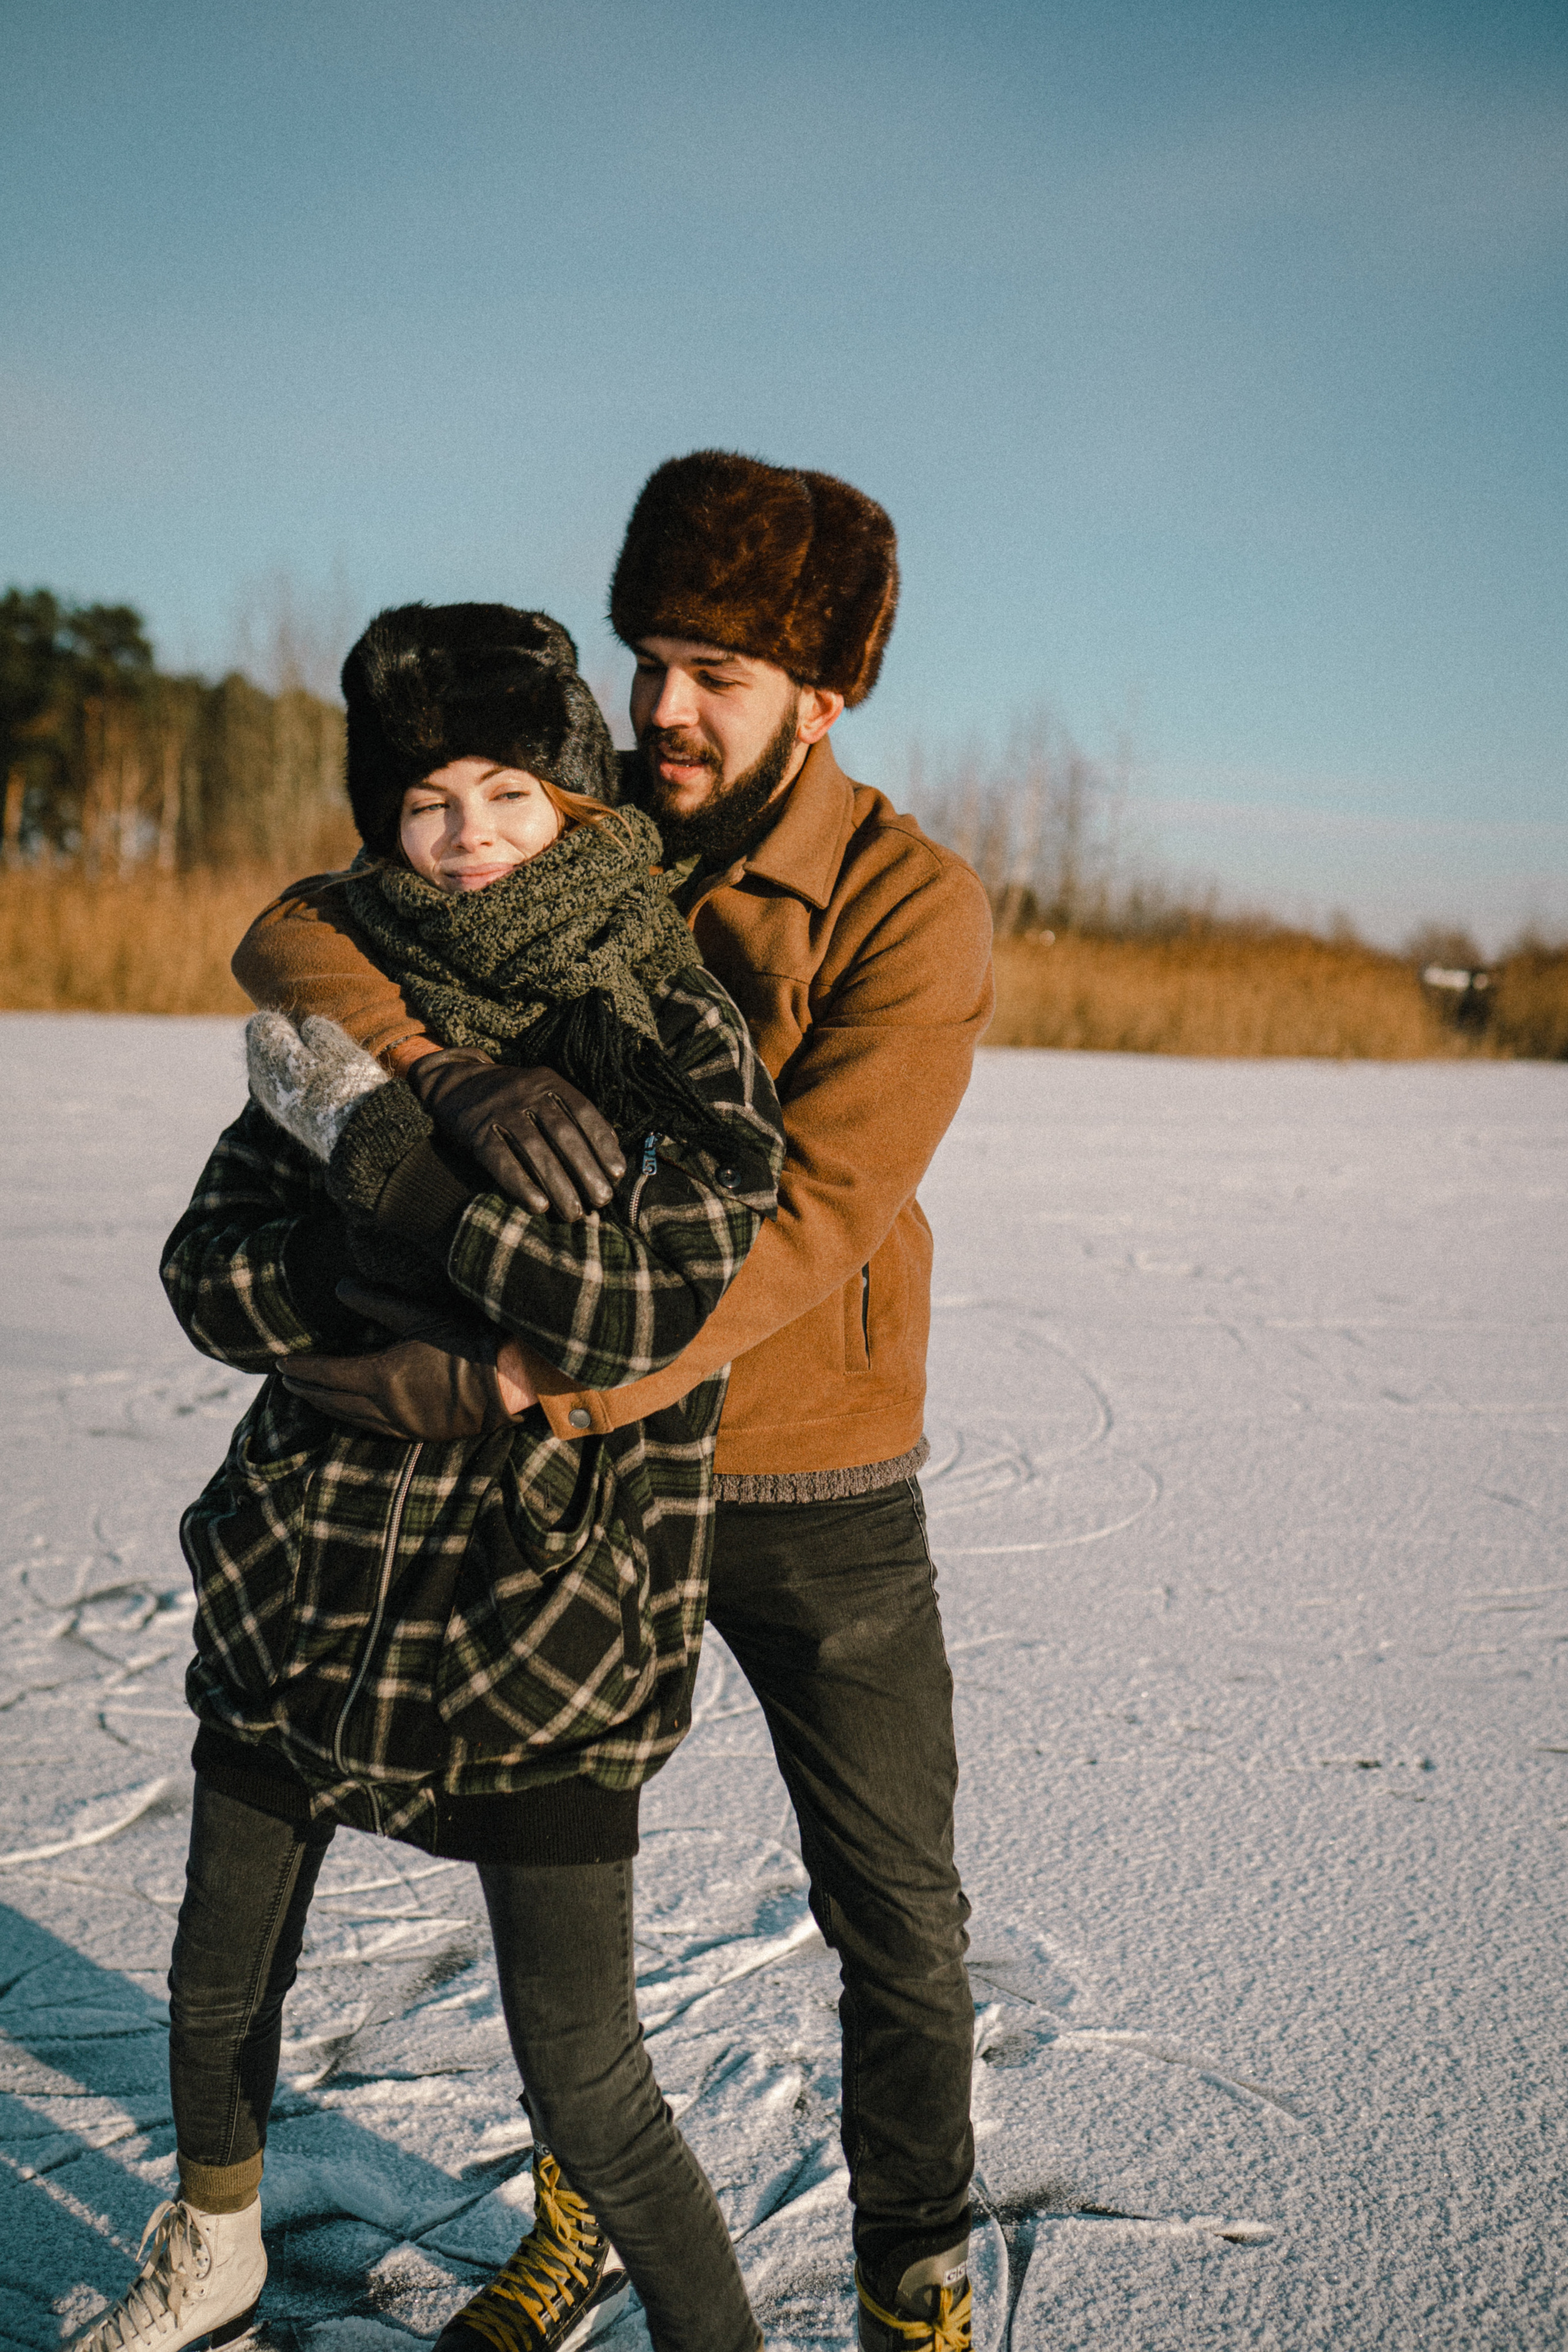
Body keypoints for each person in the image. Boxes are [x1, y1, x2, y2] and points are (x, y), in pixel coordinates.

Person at [235, 457, 996, 2352]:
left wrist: (523, 1384)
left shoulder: (913, 901)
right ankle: (581, 2218)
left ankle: (912, 2265)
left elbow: (818, 1214)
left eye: (719, 673)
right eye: (653, 656)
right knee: (564, 1888)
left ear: (825, 701)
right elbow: (294, 938)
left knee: (895, 1902)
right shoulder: (584, 835)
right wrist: (433, 1071)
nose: (663, 706)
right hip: (587, 1496)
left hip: (813, 1480)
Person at [74, 604, 784, 2352]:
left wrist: (407, 1214)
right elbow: (208, 1270)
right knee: (217, 1967)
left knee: (585, 2069)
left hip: (540, 1612)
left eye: (507, 794)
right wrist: (396, 1260)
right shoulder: (333, 1035)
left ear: (579, 804)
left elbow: (640, 1310)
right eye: (425, 802)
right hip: (302, 1570)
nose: (464, 834)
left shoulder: (667, 1028)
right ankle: (217, 2244)